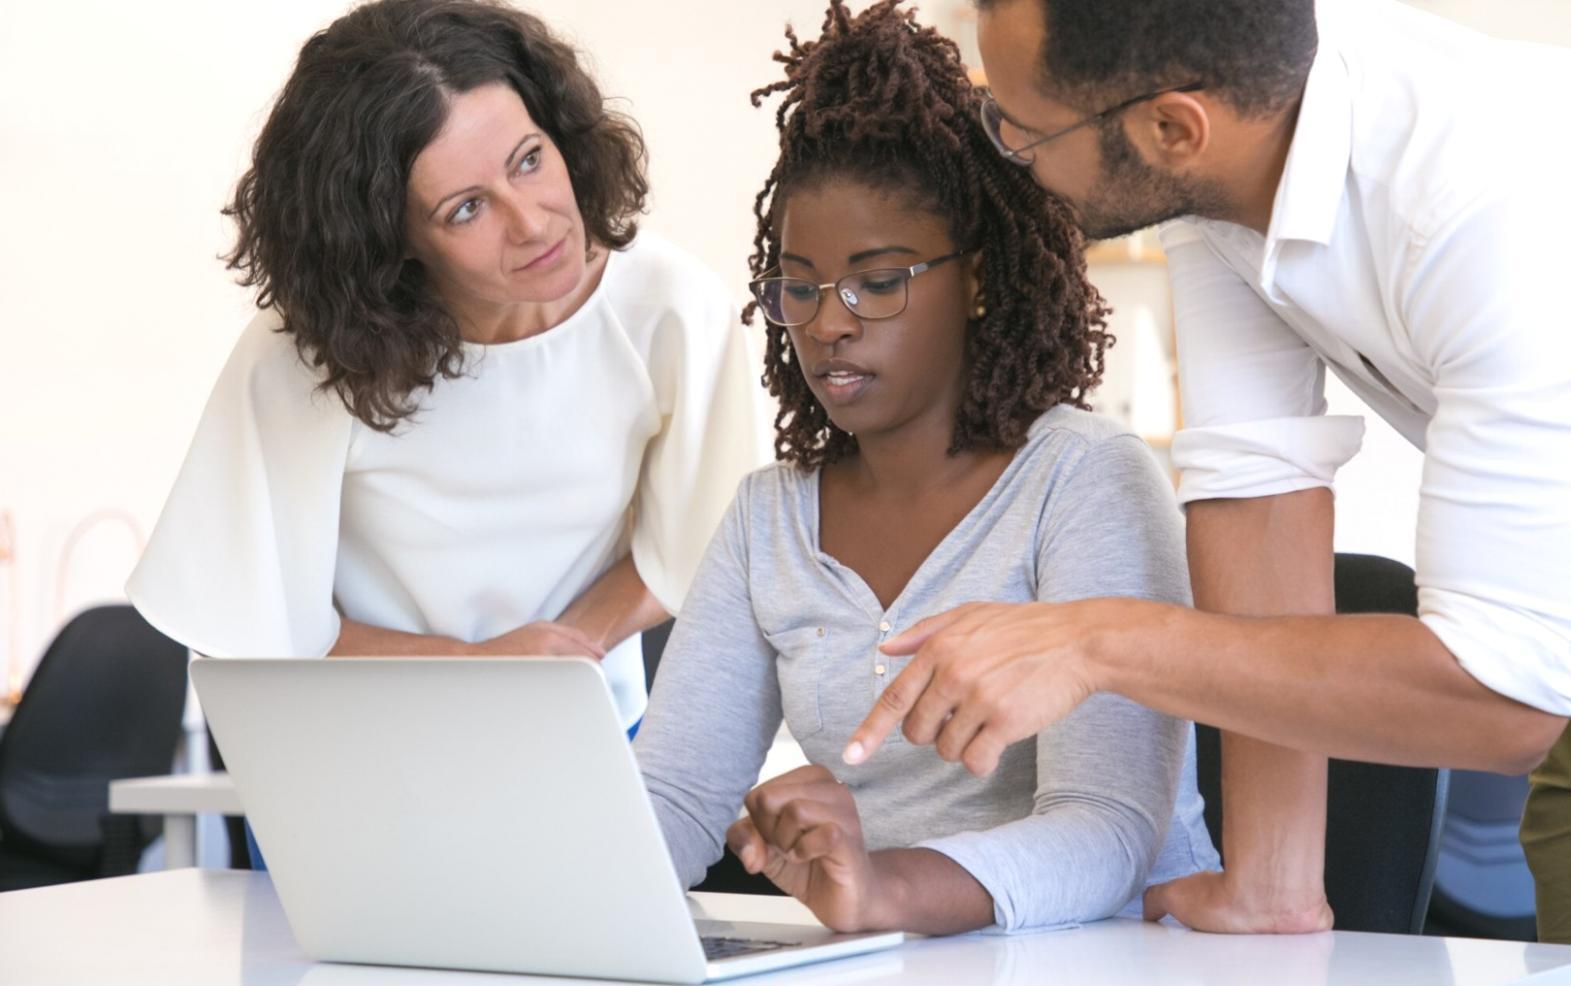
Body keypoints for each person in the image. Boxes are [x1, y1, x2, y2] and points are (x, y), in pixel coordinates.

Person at [841, 0, 1571, 938]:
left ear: (1171, 127)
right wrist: (1269, 885)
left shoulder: (1486, 212)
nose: (1008, 157)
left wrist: (1098, 642)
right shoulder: (1234, 136)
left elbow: (1501, 699)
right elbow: (1256, 492)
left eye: (1022, 128)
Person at [633, 0, 1217, 936]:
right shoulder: (768, 518)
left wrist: (887, 888)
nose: (829, 322)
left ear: (978, 279)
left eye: (880, 279)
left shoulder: (1083, 479)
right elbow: (672, 790)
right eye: (800, 286)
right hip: (886, 953)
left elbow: (1111, 832)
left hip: (1116, 953)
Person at [127, 0, 761, 737]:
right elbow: (256, 624)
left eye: (529, 160)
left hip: (582, 731)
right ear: (388, 240)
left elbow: (692, 547)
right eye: (466, 209)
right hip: (352, 741)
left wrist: (559, 657)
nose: (532, 223)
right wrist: (476, 665)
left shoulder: (668, 306)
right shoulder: (306, 353)